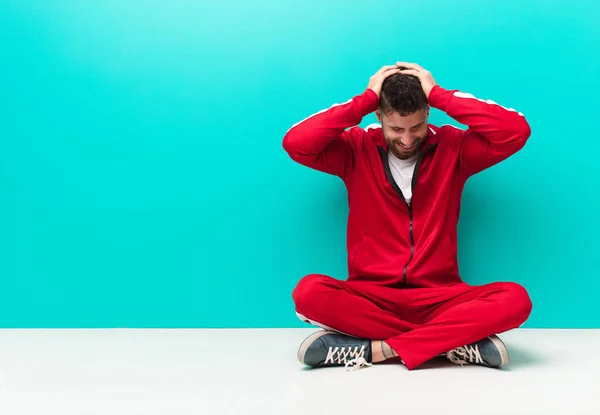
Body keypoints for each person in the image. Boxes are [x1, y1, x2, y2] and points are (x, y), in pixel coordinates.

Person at [282, 62, 533, 371]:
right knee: (309, 293)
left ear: (428, 113)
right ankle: (451, 344)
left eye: (416, 127)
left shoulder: (455, 149)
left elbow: (515, 131)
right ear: (378, 116)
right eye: (396, 129)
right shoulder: (354, 150)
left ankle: (377, 350)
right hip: (372, 298)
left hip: (440, 298)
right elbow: (296, 143)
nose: (407, 139)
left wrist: (439, 94)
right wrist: (365, 99)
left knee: (515, 300)